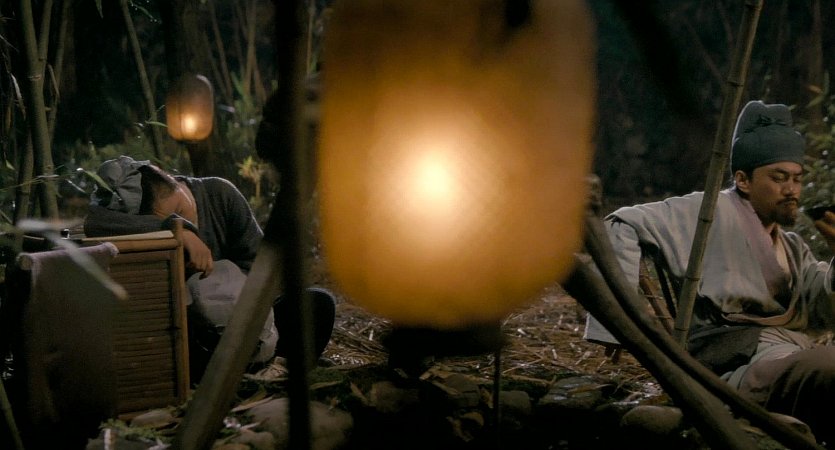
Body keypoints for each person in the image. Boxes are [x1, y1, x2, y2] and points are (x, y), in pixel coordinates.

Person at [584, 100, 835, 445]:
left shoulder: (792, 247)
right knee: (827, 366)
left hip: (789, 357)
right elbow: (620, 223)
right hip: (732, 367)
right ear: (743, 180)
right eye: (779, 178)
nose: (791, 190)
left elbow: (824, 306)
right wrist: (617, 324)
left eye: (796, 179)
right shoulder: (708, 213)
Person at [84, 156, 335, 381]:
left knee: (318, 304)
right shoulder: (150, 223)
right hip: (193, 334)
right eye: (171, 219)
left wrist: (226, 294)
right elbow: (94, 222)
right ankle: (243, 375)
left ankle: (270, 366)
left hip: (250, 319)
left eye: (180, 211)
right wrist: (177, 230)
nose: (184, 220)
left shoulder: (220, 194)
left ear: (173, 179)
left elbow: (262, 267)